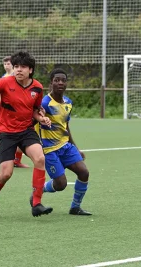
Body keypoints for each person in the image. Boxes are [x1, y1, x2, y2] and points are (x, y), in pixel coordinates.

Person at [0, 50, 52, 218]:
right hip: (6, 132)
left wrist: (42, 118)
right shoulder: (4, 83)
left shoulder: (37, 87)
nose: (18, 70)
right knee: (6, 173)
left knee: (40, 158)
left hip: (26, 130)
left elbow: (35, 111)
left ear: (31, 70)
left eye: (23, 67)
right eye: (16, 66)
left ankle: (36, 203)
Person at [35, 68, 91, 215]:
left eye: (63, 80)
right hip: (49, 150)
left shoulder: (68, 103)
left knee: (84, 172)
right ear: (51, 83)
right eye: (57, 80)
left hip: (66, 146)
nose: (60, 83)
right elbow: (34, 120)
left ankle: (75, 207)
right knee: (61, 184)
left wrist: (75, 147)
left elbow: (65, 126)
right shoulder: (44, 103)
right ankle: (38, 191)